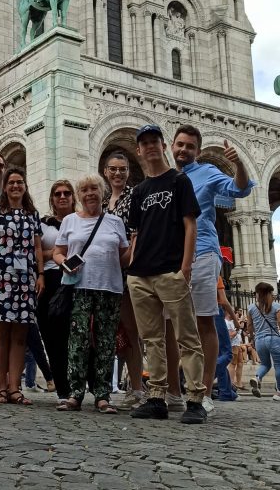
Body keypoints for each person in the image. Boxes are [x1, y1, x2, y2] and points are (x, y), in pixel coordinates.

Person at [126, 124, 207, 424]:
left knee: (187, 337)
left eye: (154, 141)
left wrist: (185, 267)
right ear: (139, 150)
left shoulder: (179, 181)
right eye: (144, 143)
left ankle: (196, 399)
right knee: (151, 339)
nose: (149, 146)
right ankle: (157, 398)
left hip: (171, 271)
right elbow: (136, 232)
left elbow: (190, 225)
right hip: (141, 275)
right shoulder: (139, 191)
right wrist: (132, 267)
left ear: (163, 146)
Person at [171, 125, 254, 413]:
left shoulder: (207, 172)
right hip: (171, 258)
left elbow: (239, 189)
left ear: (198, 151)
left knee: (204, 321)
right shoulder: (168, 178)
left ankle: (204, 393)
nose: (184, 149)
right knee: (173, 327)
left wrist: (239, 163)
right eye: (180, 144)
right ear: (172, 146)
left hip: (203, 253)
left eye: (190, 146)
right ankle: (174, 391)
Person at [53, 175, 129, 413]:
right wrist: (64, 263)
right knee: (78, 341)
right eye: (84, 190)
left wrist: (138, 240)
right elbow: (57, 252)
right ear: (79, 195)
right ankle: (75, 393)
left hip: (109, 288)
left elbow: (124, 257)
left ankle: (103, 395)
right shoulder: (70, 220)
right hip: (79, 287)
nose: (89, 194)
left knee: (106, 342)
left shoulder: (115, 222)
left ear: (102, 191)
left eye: (94, 188)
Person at [0, 167, 44, 405]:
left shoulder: (32, 214)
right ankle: (1, 388)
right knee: (0, 333)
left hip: (26, 279)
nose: (16, 186)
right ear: (5, 187)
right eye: (11, 183)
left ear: (25, 187)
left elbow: (37, 247)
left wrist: (40, 274)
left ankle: (15, 388)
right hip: (1, 277)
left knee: (20, 335)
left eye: (20, 182)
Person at [102, 149, 145, 409]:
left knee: (131, 331)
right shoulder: (103, 200)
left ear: (128, 172)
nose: (118, 173)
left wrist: (127, 258)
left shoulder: (135, 196)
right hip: (106, 274)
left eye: (122, 169)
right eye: (113, 169)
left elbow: (137, 234)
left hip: (128, 271)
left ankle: (137, 388)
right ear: (105, 172)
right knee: (112, 332)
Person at [36, 180, 77, 403]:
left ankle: (79, 384)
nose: (62, 197)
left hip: (76, 281)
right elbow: (34, 253)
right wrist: (55, 253)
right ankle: (62, 387)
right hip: (50, 280)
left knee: (75, 335)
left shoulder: (82, 221)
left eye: (67, 193)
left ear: (73, 197)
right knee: (51, 336)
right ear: (52, 199)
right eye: (58, 193)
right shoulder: (43, 224)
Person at [247, 283, 280, 400]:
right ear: (269, 293)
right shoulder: (276, 306)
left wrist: (252, 338)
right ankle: (279, 393)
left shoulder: (251, 308)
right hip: (273, 339)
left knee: (265, 364)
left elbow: (249, 326)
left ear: (257, 293)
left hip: (259, 339)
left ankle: (257, 377)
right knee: (278, 365)